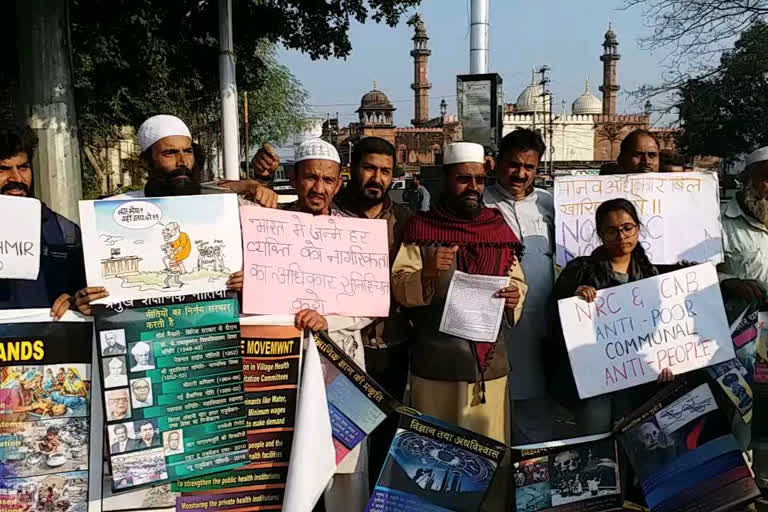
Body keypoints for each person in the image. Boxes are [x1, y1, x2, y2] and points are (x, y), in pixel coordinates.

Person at [392, 142, 527, 444]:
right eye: (464, 179)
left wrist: (514, 298)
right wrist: (426, 273)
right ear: (446, 179)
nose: (473, 187)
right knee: (436, 460)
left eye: (479, 180)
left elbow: (516, 281)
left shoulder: (497, 229)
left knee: (488, 460)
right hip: (436, 367)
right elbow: (400, 285)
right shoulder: (423, 228)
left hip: (487, 371)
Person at [285, 138, 373, 512]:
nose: (318, 188)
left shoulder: (354, 234)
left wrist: (329, 320)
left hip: (342, 365)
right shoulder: (267, 228)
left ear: (339, 184)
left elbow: (371, 304)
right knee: (288, 469)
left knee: (346, 473)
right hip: (285, 364)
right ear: (293, 178)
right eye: (310, 178)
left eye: (327, 180)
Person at [549, 198, 674, 435]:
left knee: (635, 441)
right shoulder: (580, 269)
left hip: (640, 378)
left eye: (628, 228)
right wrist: (572, 298)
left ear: (638, 228)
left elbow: (666, 325)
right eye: (612, 230)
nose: (621, 236)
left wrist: (669, 359)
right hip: (595, 380)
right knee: (597, 442)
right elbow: (555, 319)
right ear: (600, 234)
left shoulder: (652, 273)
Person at [332, 136, 412, 490]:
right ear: (352, 170)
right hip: (341, 350)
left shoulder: (407, 220)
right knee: (343, 442)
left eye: (385, 171)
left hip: (392, 349)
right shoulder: (327, 214)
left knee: (385, 439)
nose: (376, 178)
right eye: (369, 168)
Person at [484, 128, 556, 443]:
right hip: (494, 326)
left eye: (529, 167)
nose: (521, 174)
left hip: (543, 325)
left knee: (536, 417)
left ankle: (533, 489)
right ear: (497, 163)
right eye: (514, 165)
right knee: (491, 417)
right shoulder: (481, 206)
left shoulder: (550, 205)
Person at [0, 126, 86, 319]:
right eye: (3, 169)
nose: (16, 178)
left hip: (47, 344)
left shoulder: (65, 232)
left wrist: (75, 302)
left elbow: (85, 294)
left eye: (23, 167)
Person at [718, 146, 768, 306]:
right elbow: (694, 273)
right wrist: (726, 282)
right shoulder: (717, 223)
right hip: (742, 324)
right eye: (766, 178)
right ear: (745, 178)